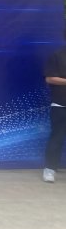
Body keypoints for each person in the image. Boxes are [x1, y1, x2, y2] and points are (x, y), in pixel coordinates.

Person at [42, 42, 66, 183]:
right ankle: (50, 169)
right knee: (57, 137)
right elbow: (50, 78)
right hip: (61, 104)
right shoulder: (57, 55)